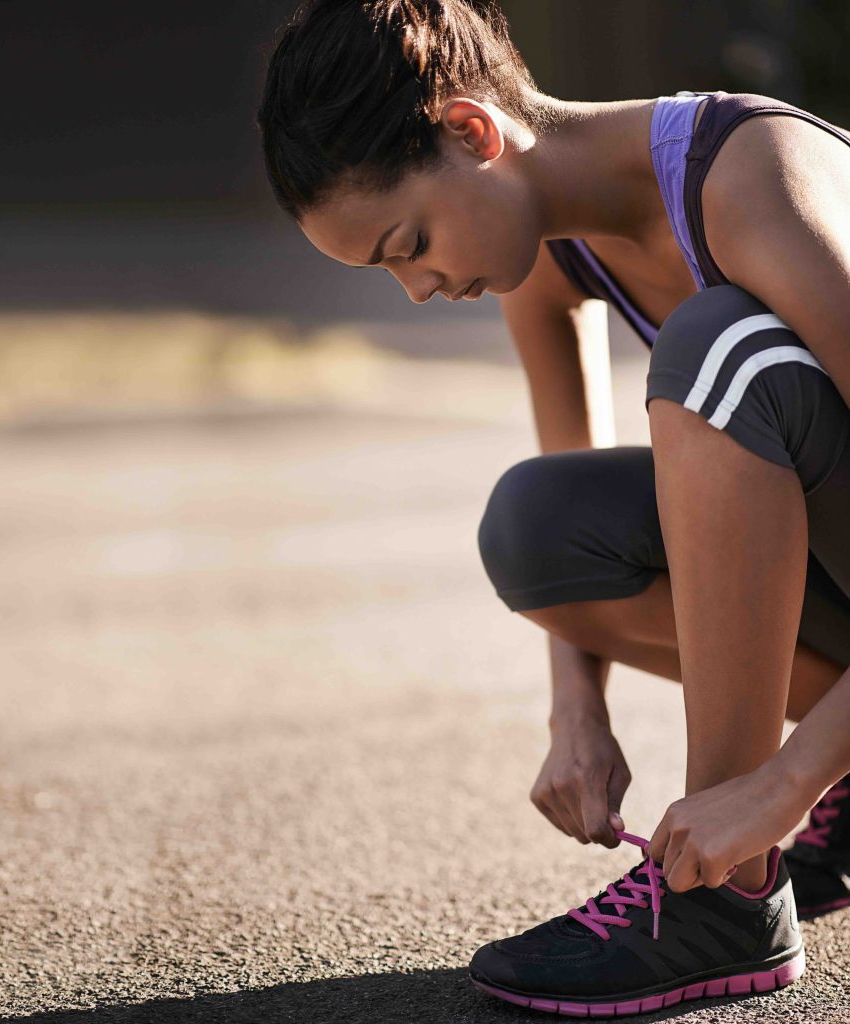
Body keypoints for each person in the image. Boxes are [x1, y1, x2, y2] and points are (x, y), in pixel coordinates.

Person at [257, 0, 850, 1014]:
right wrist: (577, 715)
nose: (414, 287)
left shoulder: (756, 178)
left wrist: (780, 786)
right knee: (538, 528)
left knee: (717, 351)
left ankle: (725, 906)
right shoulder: (546, 249)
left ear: (471, 133)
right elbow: (570, 477)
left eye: (407, 243)